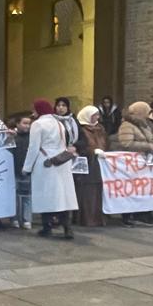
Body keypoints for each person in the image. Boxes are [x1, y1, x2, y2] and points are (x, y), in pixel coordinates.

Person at [23, 99, 77, 240]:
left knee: (45, 195)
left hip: (45, 162)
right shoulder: (59, 123)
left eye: (34, 109)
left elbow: (33, 148)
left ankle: (47, 227)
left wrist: (27, 167)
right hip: (61, 161)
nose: (33, 111)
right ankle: (67, 228)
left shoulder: (38, 124)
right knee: (63, 196)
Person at [109, 101, 153, 226]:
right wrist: (148, 146)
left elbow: (150, 138)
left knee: (142, 190)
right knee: (131, 190)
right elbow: (126, 143)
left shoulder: (144, 125)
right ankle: (128, 216)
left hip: (143, 164)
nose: (148, 115)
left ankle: (140, 214)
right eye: (147, 112)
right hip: (131, 164)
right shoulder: (127, 125)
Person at [73, 105, 105, 228]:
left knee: (96, 190)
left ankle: (97, 217)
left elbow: (105, 141)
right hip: (86, 162)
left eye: (97, 115)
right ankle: (85, 218)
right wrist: (91, 151)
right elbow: (80, 144)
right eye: (94, 115)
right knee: (86, 191)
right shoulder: (81, 129)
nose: (97, 117)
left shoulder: (99, 128)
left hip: (99, 162)